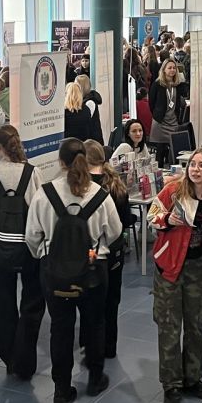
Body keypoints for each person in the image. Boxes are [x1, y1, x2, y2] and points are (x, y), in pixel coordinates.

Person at [25, 138, 121, 403]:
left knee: (60, 327)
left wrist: (45, 255)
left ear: (60, 162)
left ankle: (61, 390)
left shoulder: (44, 194)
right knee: (94, 323)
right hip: (93, 271)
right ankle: (95, 377)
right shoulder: (100, 196)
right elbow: (114, 233)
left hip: (54, 273)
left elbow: (31, 236)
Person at [147, 146, 202, 403]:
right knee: (169, 327)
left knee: (195, 326)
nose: (196, 169)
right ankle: (171, 384)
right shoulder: (173, 191)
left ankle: (192, 378)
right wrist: (167, 220)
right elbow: (151, 216)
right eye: (193, 164)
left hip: (199, 269)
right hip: (169, 268)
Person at [0, 125, 43, 379]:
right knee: (32, 302)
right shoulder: (32, 172)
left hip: (0, 247)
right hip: (28, 246)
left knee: (3, 301)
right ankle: (26, 358)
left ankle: (9, 357)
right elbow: (38, 210)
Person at [86, 141, 132, 360]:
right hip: (114, 252)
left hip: (91, 253)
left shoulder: (81, 187)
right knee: (112, 300)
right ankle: (109, 346)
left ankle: (91, 344)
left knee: (91, 301)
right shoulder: (117, 185)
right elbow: (126, 220)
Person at [148, 58, 189, 153]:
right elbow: (151, 103)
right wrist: (156, 114)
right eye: (169, 68)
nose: (172, 70)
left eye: (174, 68)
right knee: (160, 152)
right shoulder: (157, 84)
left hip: (173, 122)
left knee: (174, 151)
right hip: (160, 122)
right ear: (164, 70)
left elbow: (181, 99)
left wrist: (183, 80)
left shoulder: (177, 85)